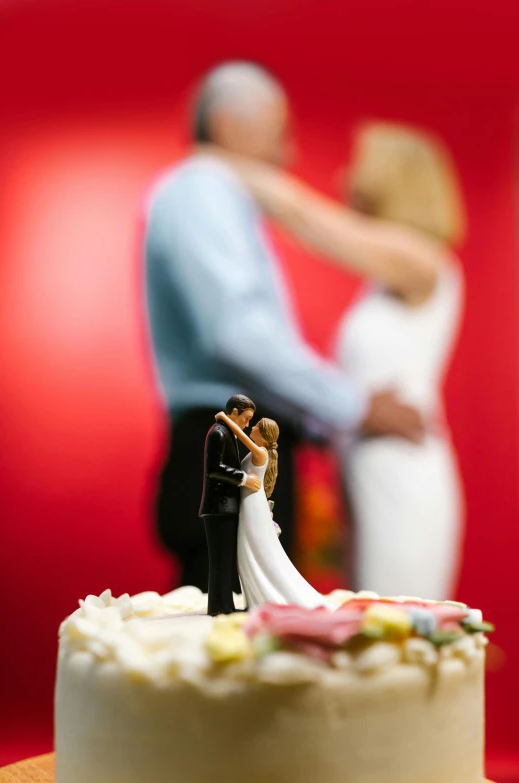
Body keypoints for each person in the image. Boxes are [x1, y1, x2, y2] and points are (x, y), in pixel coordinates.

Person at [143, 62, 424, 592]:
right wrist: (354, 406)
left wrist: (314, 421)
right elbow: (237, 330)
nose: (287, 153)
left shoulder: (206, 198)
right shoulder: (203, 189)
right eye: (278, 134)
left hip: (239, 447)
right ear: (228, 126)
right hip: (235, 451)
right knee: (234, 647)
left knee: (239, 638)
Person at [221, 121, 467, 599]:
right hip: (362, 471)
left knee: (393, 627)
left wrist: (229, 166)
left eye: (359, 168)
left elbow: (310, 221)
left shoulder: (424, 262)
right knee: (365, 622)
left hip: (402, 476)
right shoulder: (382, 286)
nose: (346, 180)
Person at [214, 408, 330, 609]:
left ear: (265, 435)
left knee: (253, 546)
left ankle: (265, 598)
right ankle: (256, 598)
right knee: (248, 548)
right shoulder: (257, 452)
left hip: (252, 504)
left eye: (256, 426)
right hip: (248, 502)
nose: (252, 427)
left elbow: (241, 436)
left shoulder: (260, 452)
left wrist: (225, 420)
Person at [199, 394, 261, 616]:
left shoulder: (228, 432)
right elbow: (215, 468)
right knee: (221, 561)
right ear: (234, 413)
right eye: (246, 417)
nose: (248, 423)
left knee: (226, 560)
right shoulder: (218, 433)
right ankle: (220, 607)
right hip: (219, 507)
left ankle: (224, 604)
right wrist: (244, 478)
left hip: (227, 506)